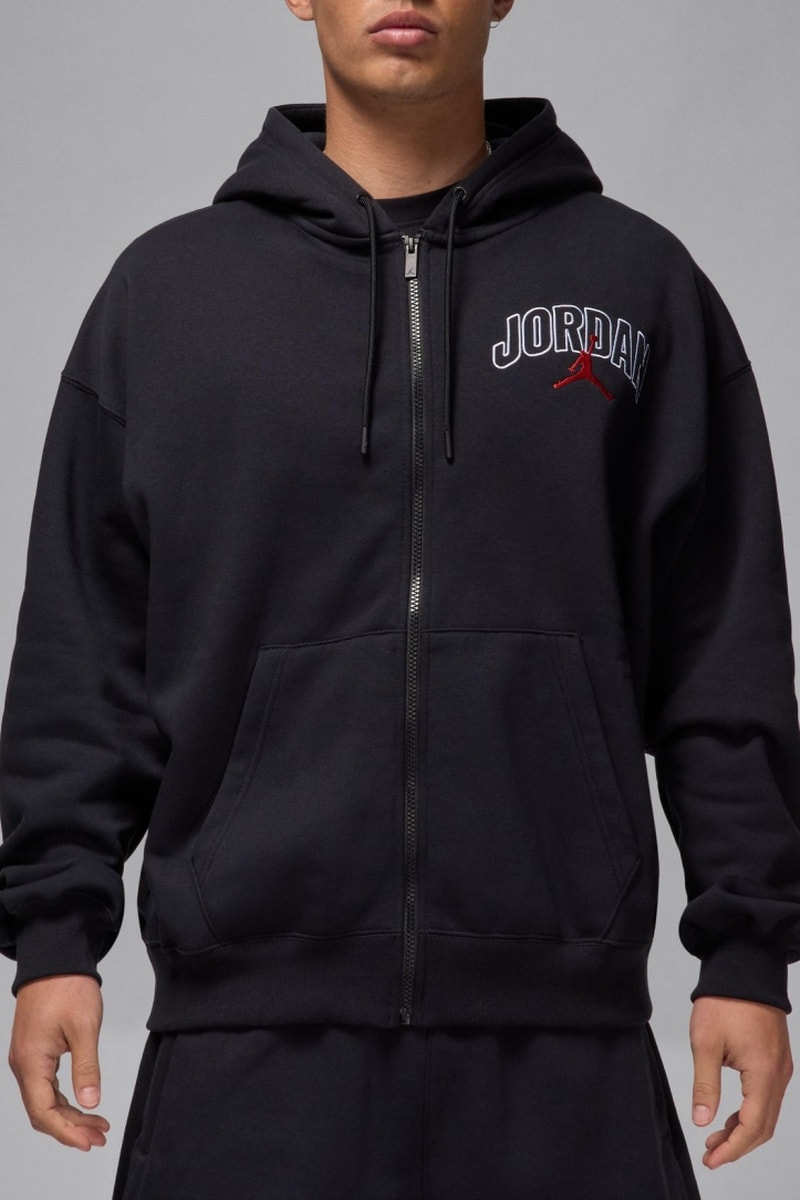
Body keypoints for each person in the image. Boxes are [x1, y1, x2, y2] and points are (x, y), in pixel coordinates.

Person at [1, 2, 799, 1196]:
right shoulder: (166, 297)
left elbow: (717, 645)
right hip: (243, 1055)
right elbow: (83, 649)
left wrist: (744, 951)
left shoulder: (636, 286)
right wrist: (54, 938)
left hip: (561, 1051)